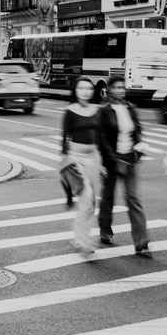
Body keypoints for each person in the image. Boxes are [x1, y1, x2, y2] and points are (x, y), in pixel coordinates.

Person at [96, 76, 151, 256]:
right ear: (109, 90)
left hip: (130, 159)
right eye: (117, 87)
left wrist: (139, 146)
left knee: (133, 198)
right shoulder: (104, 110)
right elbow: (102, 139)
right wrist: (113, 160)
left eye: (123, 87)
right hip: (112, 161)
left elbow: (137, 130)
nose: (120, 90)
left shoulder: (130, 108)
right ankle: (105, 230)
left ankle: (141, 240)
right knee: (108, 198)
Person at [61, 77, 101, 256]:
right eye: (81, 88)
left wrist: (103, 164)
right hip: (75, 159)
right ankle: (81, 241)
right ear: (75, 91)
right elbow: (64, 138)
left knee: (91, 204)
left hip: (93, 158)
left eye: (88, 88)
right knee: (86, 199)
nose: (85, 91)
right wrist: (64, 165)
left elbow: (100, 136)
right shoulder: (70, 111)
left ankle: (83, 238)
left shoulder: (96, 110)